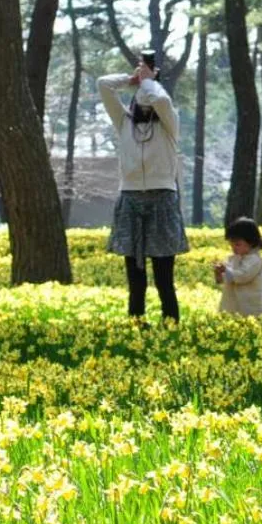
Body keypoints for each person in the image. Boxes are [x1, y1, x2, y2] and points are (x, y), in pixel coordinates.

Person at [99, 50, 187, 322]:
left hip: (162, 199)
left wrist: (149, 81)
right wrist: (133, 79)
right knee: (135, 279)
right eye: (140, 100)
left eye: (147, 100)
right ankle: (136, 325)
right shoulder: (124, 123)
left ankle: (170, 326)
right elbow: (103, 84)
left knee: (164, 278)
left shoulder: (169, 125)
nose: (145, 104)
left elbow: (160, 99)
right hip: (130, 198)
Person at [212, 216, 262, 317]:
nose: (233, 248)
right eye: (231, 244)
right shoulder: (233, 258)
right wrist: (218, 273)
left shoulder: (255, 260)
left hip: (250, 308)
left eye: (238, 244)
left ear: (251, 242)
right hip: (232, 304)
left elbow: (243, 276)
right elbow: (225, 279)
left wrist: (225, 270)